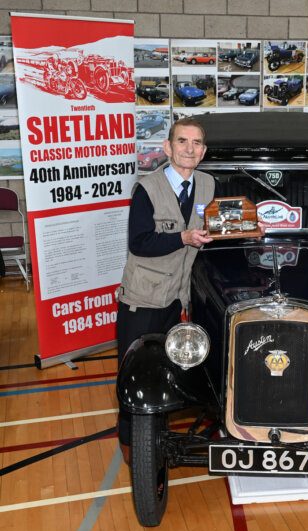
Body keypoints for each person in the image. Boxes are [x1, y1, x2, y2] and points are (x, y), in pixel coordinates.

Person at [116, 117, 214, 462]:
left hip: (178, 297)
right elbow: (139, 242)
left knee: (170, 372)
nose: (190, 149)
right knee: (135, 372)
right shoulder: (147, 188)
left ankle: (157, 436)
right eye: (183, 141)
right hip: (143, 299)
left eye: (197, 143)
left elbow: (211, 229)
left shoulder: (208, 184)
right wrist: (184, 237)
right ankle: (131, 443)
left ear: (203, 151)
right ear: (168, 148)